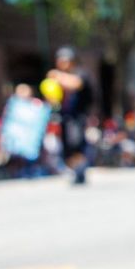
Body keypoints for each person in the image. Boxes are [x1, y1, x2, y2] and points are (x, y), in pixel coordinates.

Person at [44, 47, 98, 186]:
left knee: (77, 144)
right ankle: (76, 171)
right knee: (66, 149)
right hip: (65, 118)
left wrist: (57, 76)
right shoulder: (58, 81)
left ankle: (80, 172)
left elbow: (75, 84)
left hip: (78, 118)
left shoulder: (80, 74)